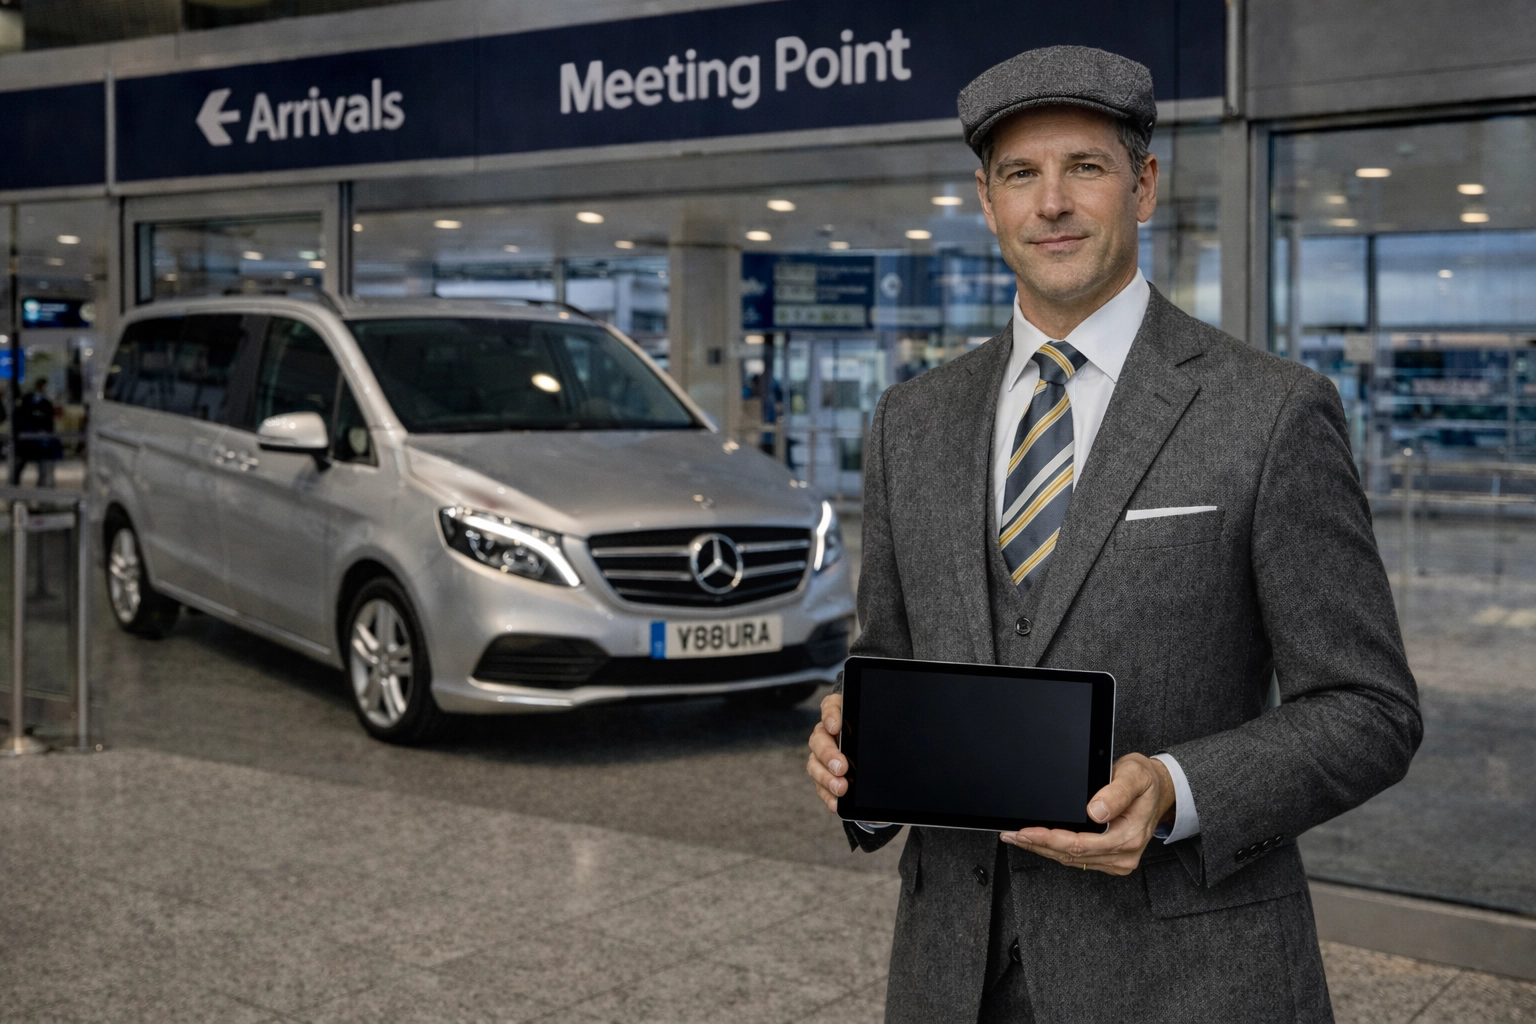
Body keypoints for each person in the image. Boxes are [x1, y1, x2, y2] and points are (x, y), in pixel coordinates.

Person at [806, 46, 1420, 1023]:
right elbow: (886, 659)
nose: (1050, 201)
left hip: (1185, 980)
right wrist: (856, 757)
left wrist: (1179, 790)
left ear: (1144, 187)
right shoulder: (909, 422)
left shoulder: (1269, 412)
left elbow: (1370, 709)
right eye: (1020, 173)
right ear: (986, 198)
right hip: (950, 975)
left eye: (1083, 167)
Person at [13, 377, 61, 487]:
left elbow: (48, 419)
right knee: (24, 464)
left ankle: (38, 487)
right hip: (30, 438)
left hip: (35, 438)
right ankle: (17, 486)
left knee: (37, 465)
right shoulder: (30, 400)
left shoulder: (41, 401)